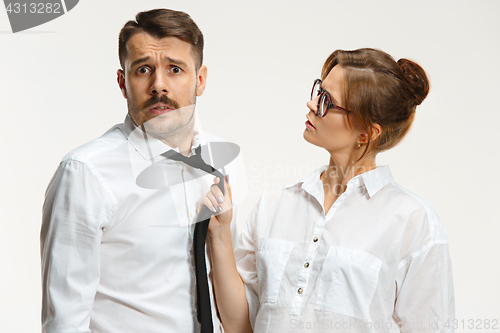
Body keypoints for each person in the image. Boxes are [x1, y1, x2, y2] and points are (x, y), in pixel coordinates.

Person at [203, 48, 454, 332]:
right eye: (318, 90)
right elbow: (238, 324)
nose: (311, 104)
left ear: (367, 133)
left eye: (327, 101)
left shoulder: (412, 221)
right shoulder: (275, 204)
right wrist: (221, 233)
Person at [40, 8, 243, 333]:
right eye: (143, 69)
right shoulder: (86, 173)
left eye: (175, 69)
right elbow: (64, 321)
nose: (158, 85)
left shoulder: (221, 162)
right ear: (122, 82)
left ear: (200, 79)